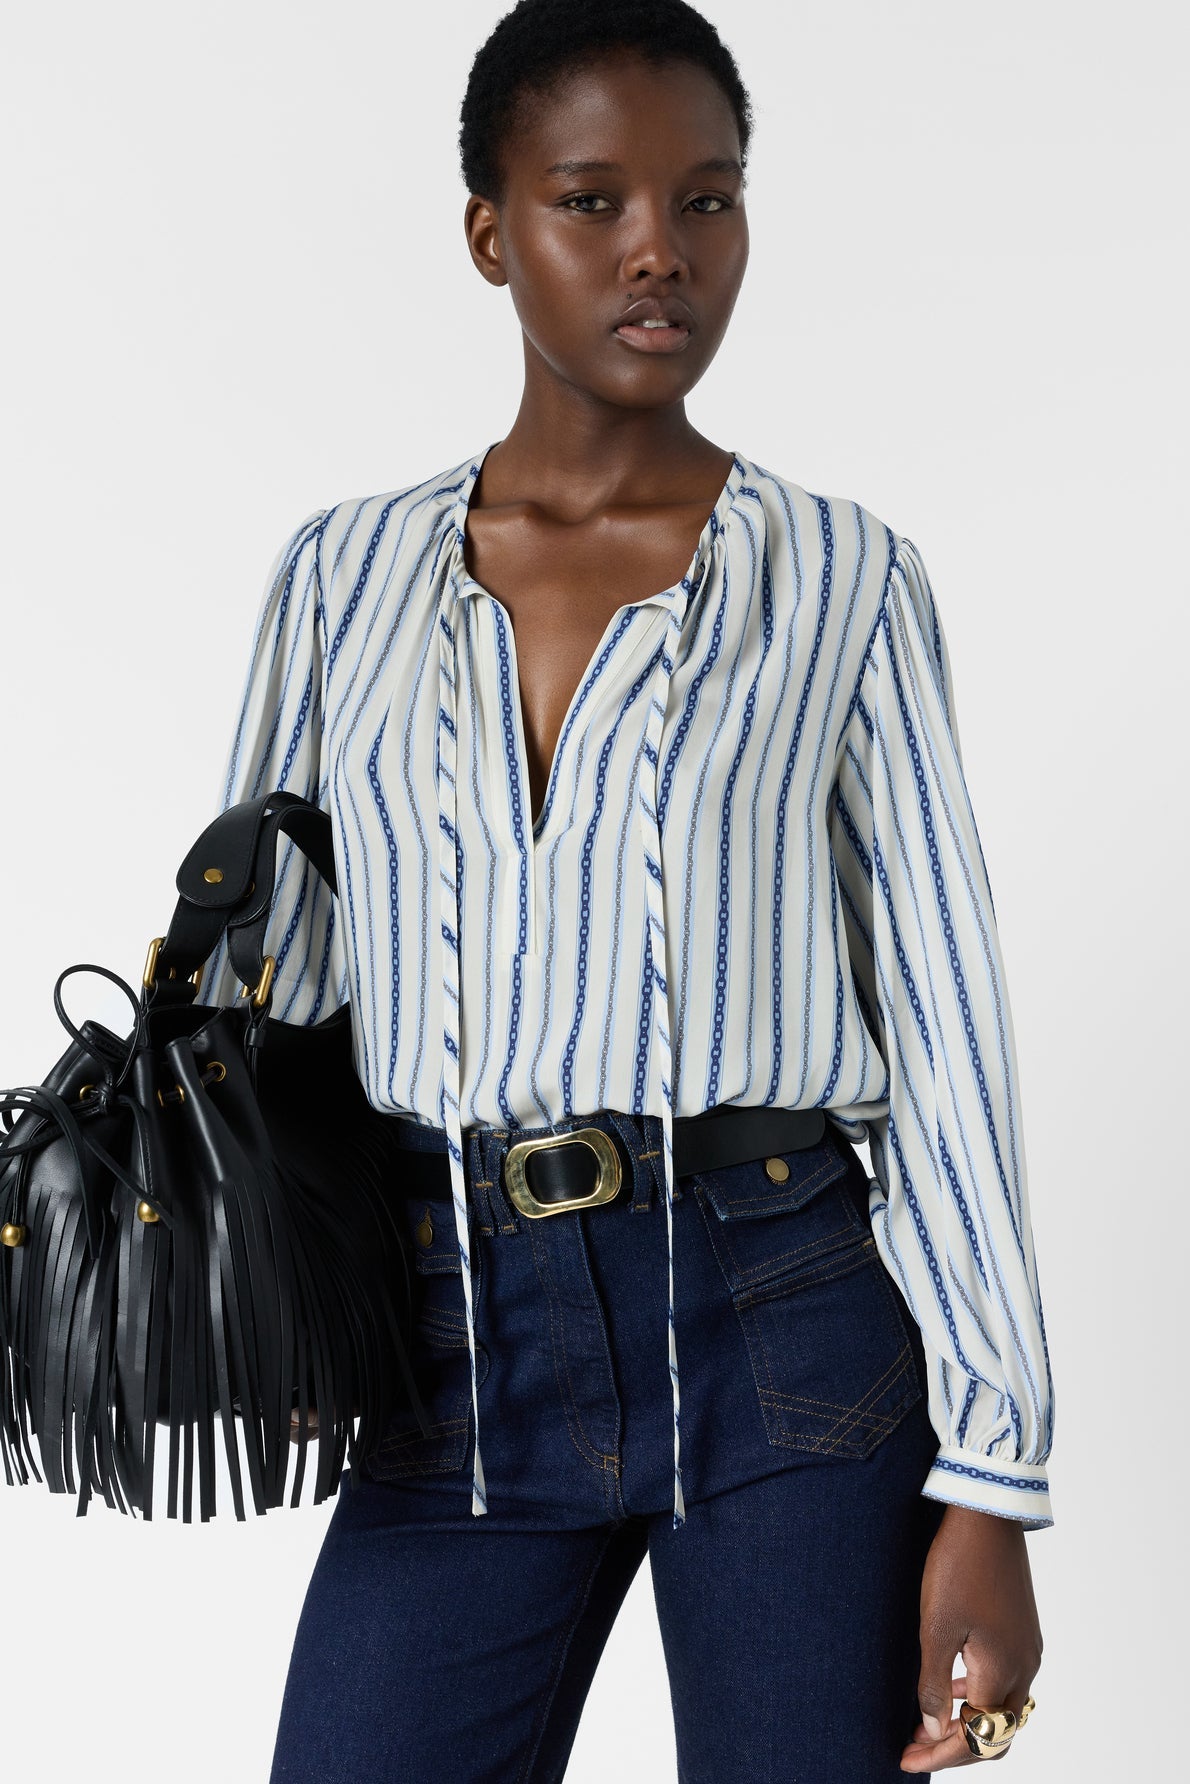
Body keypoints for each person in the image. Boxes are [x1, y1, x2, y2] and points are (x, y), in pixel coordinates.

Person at [197, 3, 1051, 1778]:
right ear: (490, 230)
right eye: (592, 201)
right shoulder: (343, 577)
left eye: (706, 199)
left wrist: (991, 1476)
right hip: (449, 1332)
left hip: (783, 1319)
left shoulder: (844, 579)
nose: (660, 249)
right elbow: (262, 979)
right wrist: (253, 1276)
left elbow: (945, 1020)